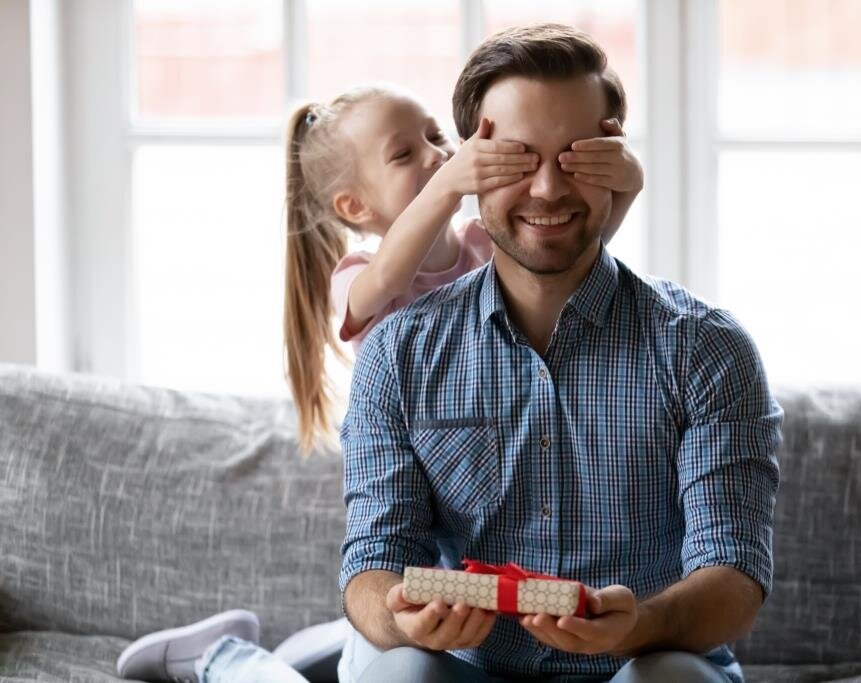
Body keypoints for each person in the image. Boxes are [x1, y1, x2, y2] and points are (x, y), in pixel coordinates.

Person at [115, 67, 643, 682]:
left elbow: (576, 244)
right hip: (394, 499)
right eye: (404, 154)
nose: (438, 155)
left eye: (434, 136)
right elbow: (389, 280)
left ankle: (314, 643)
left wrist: (627, 182)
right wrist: (447, 186)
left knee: (349, 651)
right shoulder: (362, 273)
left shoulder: (481, 240)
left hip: (454, 550)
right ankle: (218, 656)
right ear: (354, 207)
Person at [339, 23, 783, 683]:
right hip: (467, 668)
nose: (547, 189)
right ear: (471, 170)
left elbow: (735, 573)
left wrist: (643, 624)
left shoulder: (706, 349)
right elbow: (372, 562)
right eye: (517, 160)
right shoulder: (401, 352)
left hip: (640, 663)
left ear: (613, 159)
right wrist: (400, 617)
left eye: (577, 158)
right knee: (398, 673)